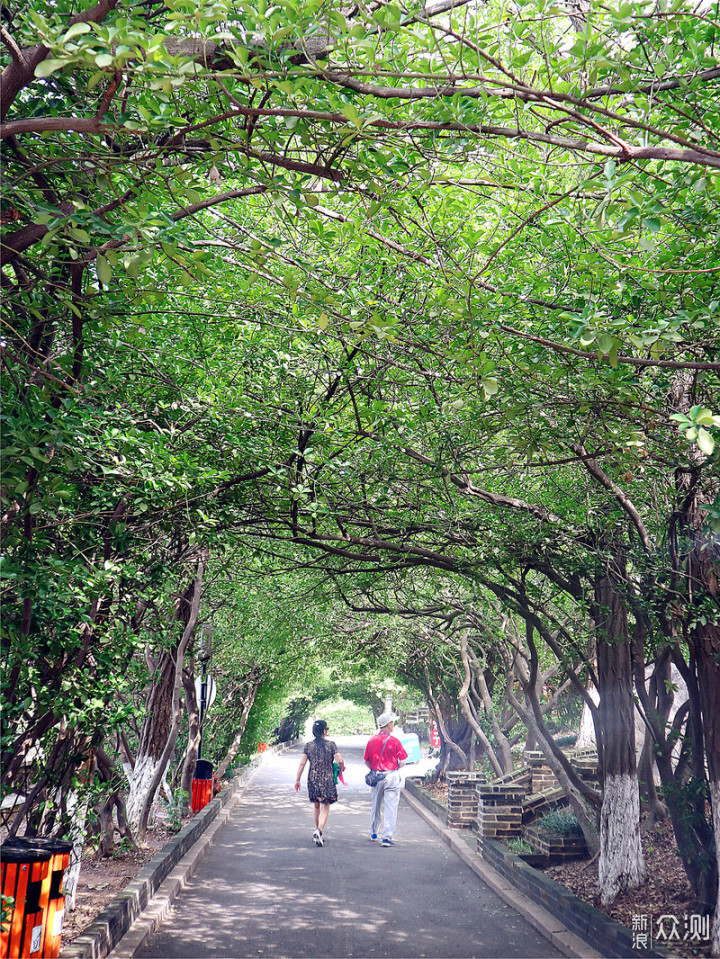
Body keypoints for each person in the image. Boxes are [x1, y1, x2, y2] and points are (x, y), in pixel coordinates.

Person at [295, 719, 344, 846]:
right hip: (327, 778)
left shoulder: (308, 746)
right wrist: (340, 768)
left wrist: (297, 780)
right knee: (326, 805)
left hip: (313, 777)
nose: (327, 731)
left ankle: (317, 831)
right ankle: (319, 830)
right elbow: (340, 761)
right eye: (326, 729)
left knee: (316, 805)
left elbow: (302, 763)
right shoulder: (331, 745)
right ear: (323, 730)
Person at [364, 711, 408, 847]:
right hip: (391, 776)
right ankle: (387, 837)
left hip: (377, 776)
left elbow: (366, 760)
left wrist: (374, 769)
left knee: (375, 804)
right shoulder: (394, 741)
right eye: (392, 722)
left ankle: (373, 832)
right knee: (390, 807)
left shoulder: (372, 740)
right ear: (388, 724)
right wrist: (395, 769)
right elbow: (403, 760)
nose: (393, 724)